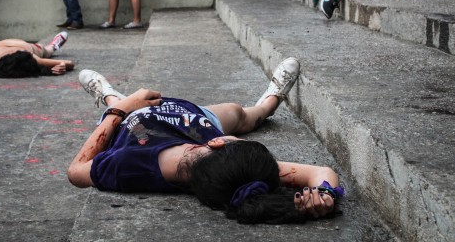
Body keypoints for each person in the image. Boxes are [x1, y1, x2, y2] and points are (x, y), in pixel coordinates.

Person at [67, 58, 345, 223]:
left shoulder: (128, 164)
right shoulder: (232, 173)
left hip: (135, 125)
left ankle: (108, 95)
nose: (235, 138)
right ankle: (271, 99)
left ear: (219, 143)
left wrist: (121, 109)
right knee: (239, 112)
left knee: (120, 104)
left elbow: (76, 171)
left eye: (237, 141)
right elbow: (321, 172)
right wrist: (325, 196)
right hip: (196, 122)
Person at [0, 31, 74, 78]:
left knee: (47, 51)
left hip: (24, 47)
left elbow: (69, 63)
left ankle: (52, 46)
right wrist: (62, 65)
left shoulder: (28, 56)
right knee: (46, 51)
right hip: (8, 47)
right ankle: (52, 46)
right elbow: (70, 63)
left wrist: (62, 65)